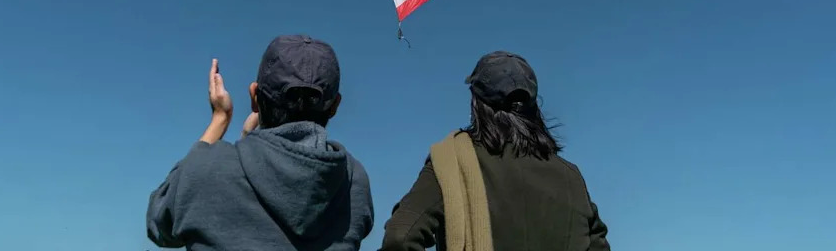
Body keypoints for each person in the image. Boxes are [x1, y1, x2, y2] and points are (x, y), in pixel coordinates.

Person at [146, 34, 374, 251]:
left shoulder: (207, 168)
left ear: (254, 97)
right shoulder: (353, 180)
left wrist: (220, 119)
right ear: (334, 106)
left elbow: (159, 222)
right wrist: (249, 142)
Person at [379, 51, 610, 251]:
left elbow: (400, 238)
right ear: (533, 106)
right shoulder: (572, 178)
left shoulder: (451, 163)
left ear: (476, 105)